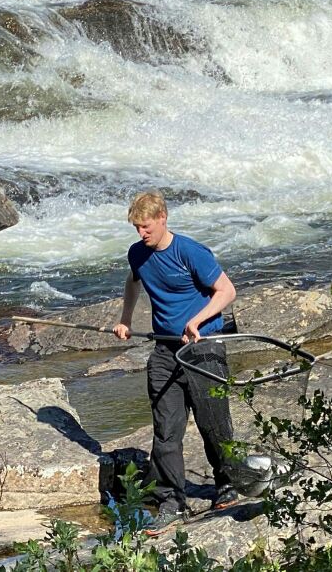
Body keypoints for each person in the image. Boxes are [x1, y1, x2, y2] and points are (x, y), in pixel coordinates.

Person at [112, 190, 238, 536]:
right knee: (166, 430)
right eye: (137, 227)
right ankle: (172, 502)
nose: (141, 233)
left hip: (203, 349)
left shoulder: (190, 252)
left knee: (214, 423)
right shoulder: (137, 254)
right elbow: (132, 280)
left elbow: (227, 291)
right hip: (166, 352)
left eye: (146, 226)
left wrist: (198, 321)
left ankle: (226, 485)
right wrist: (125, 318)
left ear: (163, 218)